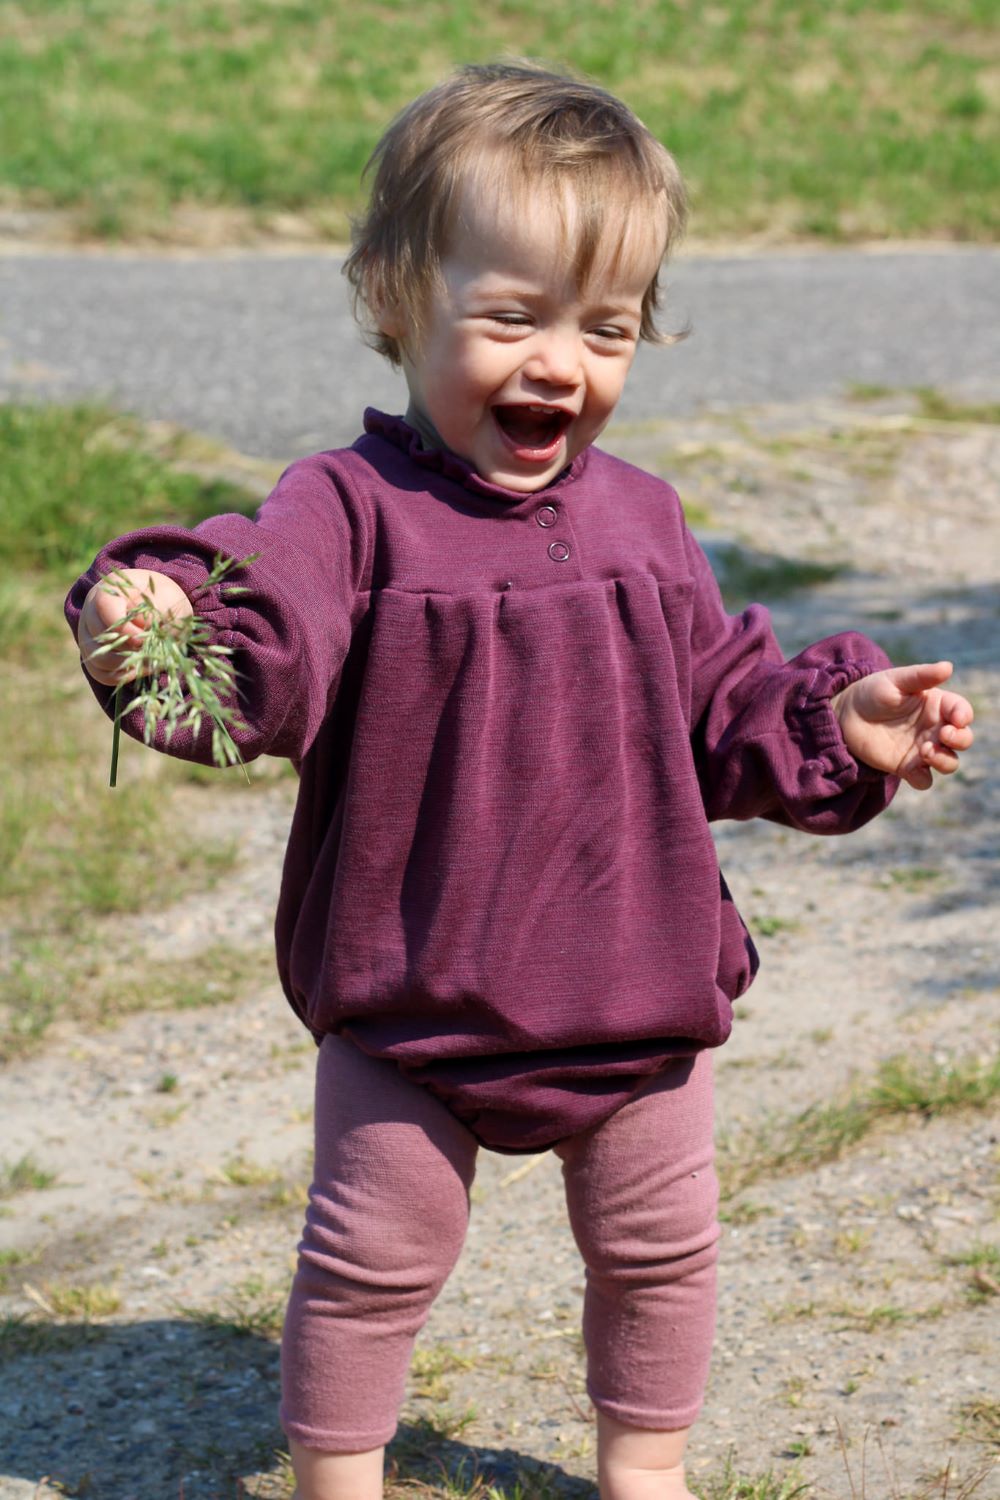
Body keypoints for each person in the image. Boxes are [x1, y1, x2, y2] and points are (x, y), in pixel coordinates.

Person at [66, 61, 975, 1500]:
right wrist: (166, 631)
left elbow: (722, 701)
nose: (564, 363)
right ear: (395, 301)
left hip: (631, 979)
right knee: (371, 1259)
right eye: (513, 317)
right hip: (412, 992)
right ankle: (337, 1478)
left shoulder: (643, 521)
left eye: (607, 329)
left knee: (660, 1248)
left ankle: (647, 1469)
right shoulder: (346, 510)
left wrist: (838, 720)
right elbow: (269, 635)